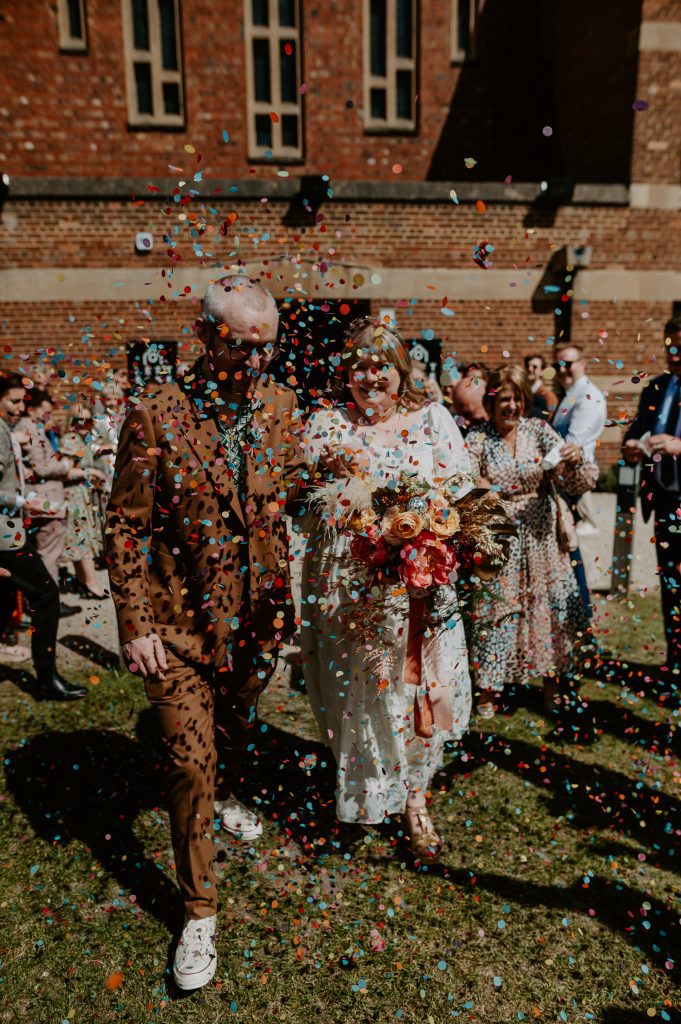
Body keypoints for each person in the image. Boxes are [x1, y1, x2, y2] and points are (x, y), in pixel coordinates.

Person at [105, 277, 306, 992]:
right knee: (186, 764)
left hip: (258, 621)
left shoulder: (283, 407)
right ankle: (198, 909)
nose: (256, 359)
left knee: (232, 726)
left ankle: (222, 796)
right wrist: (135, 623)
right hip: (176, 627)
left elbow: (297, 500)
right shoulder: (156, 411)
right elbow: (124, 527)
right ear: (205, 334)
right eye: (240, 344)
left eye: (268, 346)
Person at [299, 317, 472, 861]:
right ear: (345, 374)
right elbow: (305, 508)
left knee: (416, 686)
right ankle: (368, 789)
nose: (371, 377)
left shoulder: (432, 419)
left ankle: (416, 799)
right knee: (360, 693)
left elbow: (462, 495)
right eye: (359, 367)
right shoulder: (327, 425)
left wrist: (431, 532)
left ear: (402, 372)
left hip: (418, 587)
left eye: (382, 367)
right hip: (348, 587)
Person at [466, 366, 597, 743]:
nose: (511, 405)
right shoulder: (478, 436)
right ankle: (488, 688)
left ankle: (552, 684)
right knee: (496, 609)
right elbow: (466, 481)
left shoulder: (539, 431)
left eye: (517, 398)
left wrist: (573, 460)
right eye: (504, 398)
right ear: (492, 400)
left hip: (542, 535)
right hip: (500, 535)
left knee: (550, 607)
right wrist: (483, 486)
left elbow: (576, 481)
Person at [0, 373, 86, 699]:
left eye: (22, 402)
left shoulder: (9, 431)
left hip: (9, 524)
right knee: (47, 594)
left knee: (11, 594)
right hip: (4, 529)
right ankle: (47, 680)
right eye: (14, 401)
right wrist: (24, 500)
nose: (21, 408)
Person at [623, 315, 681, 682]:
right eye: (670, 346)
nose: (675, 355)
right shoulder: (657, 388)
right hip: (663, 500)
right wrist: (632, 447)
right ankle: (676, 659)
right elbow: (636, 431)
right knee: (671, 584)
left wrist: (678, 445)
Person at [551, 344, 605, 606]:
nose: (563, 370)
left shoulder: (588, 396)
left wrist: (536, 466)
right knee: (565, 549)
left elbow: (570, 443)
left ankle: (582, 617)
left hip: (574, 483)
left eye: (568, 364)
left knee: (572, 548)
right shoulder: (570, 394)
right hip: (561, 480)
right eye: (558, 365)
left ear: (583, 364)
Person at [16, 388, 82, 582]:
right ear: (32, 410)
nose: (49, 417)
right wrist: (65, 464)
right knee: (49, 554)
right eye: (45, 412)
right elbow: (42, 467)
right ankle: (49, 603)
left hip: (40, 498)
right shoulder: (31, 428)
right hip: (45, 500)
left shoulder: (28, 427)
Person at [60, 404, 108, 599]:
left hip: (81, 494)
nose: (83, 425)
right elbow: (66, 472)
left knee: (79, 540)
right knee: (83, 540)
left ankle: (83, 581)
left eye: (87, 421)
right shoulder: (70, 439)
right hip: (72, 495)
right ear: (71, 422)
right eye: (78, 420)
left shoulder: (82, 440)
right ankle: (92, 584)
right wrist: (91, 472)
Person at [524, 353, 559, 417]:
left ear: (541, 371)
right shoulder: (523, 393)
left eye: (534, 367)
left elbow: (548, 420)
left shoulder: (548, 396)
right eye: (527, 365)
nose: (529, 369)